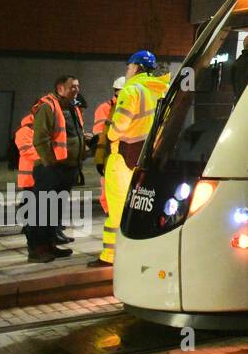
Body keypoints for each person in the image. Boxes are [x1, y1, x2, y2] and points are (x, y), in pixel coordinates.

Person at [92, 51, 171, 268]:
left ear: (136, 68)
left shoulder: (132, 90)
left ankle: (109, 256)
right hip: (147, 158)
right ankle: (139, 253)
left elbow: (118, 127)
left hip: (123, 157)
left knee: (117, 208)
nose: (127, 71)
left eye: (129, 67)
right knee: (141, 207)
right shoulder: (161, 90)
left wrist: (110, 136)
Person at [15, 76, 84, 262]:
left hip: (67, 169)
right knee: (41, 210)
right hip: (52, 169)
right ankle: (37, 249)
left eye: (78, 86)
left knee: (54, 210)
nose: (76, 90)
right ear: (60, 88)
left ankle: (50, 245)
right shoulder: (48, 106)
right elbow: (40, 139)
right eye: (72, 87)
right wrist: (50, 163)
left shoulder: (72, 107)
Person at [90, 76, 125, 217]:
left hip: (123, 151)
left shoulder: (127, 107)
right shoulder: (105, 108)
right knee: (108, 181)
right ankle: (108, 209)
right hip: (109, 151)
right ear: (117, 91)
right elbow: (99, 132)